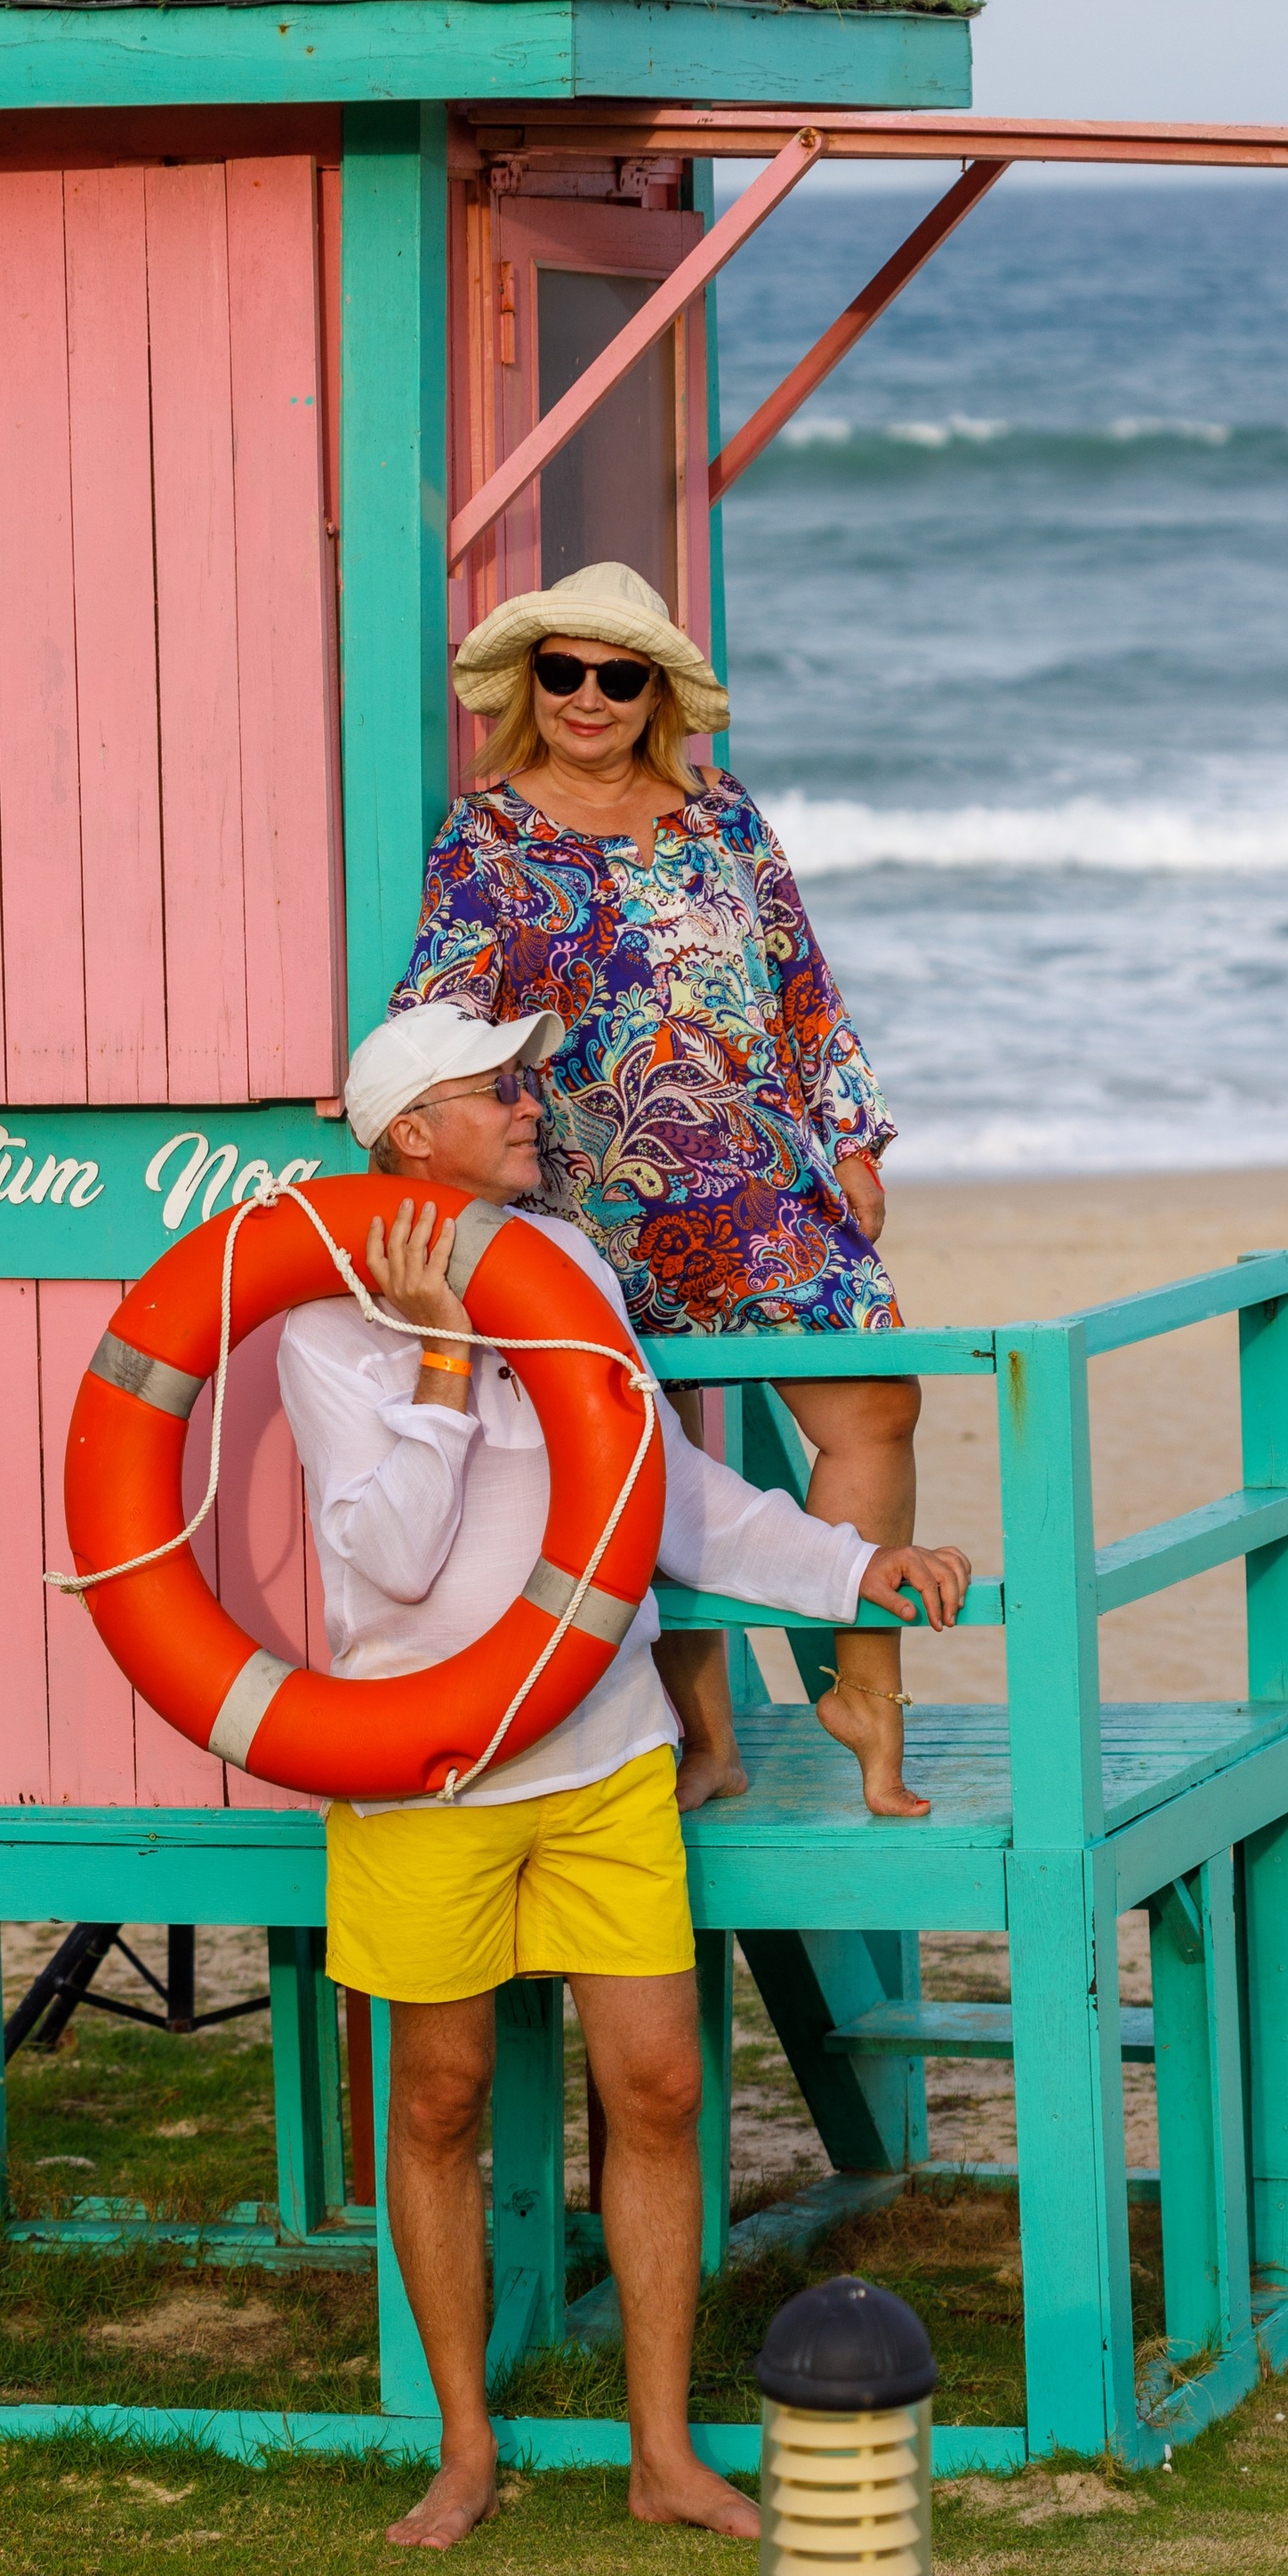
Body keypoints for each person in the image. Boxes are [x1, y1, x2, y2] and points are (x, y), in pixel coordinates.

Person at [278, 999, 970, 2552]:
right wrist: (452, 1375)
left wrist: (861, 1565)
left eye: (525, 1079)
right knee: (440, 2096)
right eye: (495, 1089)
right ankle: (465, 2450)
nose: (533, 1104)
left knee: (657, 2087)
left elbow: (674, 1497)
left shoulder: (576, 1269)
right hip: (425, 1770)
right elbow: (386, 1564)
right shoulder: (327, 1328)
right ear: (408, 1134)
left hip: (602, 1753)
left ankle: (663, 2454)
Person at [397, 558, 935, 1818]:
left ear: (656, 694)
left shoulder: (723, 815)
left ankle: (861, 1688)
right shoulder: (483, 836)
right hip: (589, 1197)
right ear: (533, 684)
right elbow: (440, 1020)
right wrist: (444, 1160)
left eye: (618, 675)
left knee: (877, 1414)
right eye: (564, 670)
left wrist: (850, 1135)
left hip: (767, 1188)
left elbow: (801, 982)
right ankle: (705, 1737)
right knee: (658, 1458)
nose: (589, 697)